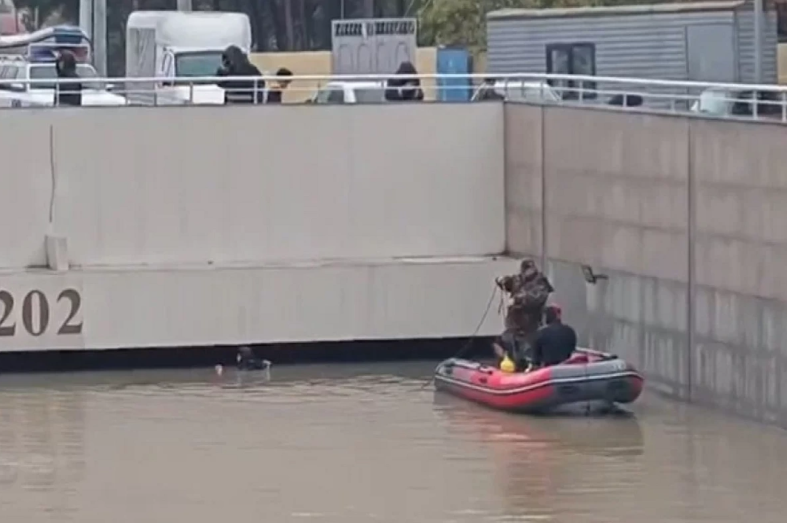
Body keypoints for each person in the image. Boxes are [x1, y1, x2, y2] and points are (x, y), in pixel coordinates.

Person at [492, 259, 554, 370]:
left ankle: (529, 368)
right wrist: (502, 281)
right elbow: (510, 282)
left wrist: (518, 300)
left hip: (530, 324)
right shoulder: (519, 279)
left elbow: (537, 298)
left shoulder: (540, 283)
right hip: (514, 323)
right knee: (503, 343)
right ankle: (508, 366)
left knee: (527, 349)